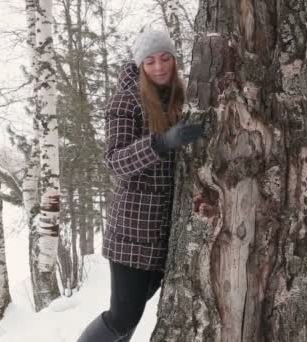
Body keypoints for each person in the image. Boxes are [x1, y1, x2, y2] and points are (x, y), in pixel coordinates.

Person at [77, 30, 204, 342]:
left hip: (166, 232)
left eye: (165, 58)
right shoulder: (126, 101)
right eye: (150, 61)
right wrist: (161, 143)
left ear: (174, 60)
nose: (159, 67)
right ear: (140, 66)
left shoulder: (181, 97)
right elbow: (114, 161)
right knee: (122, 317)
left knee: (132, 316)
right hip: (133, 233)